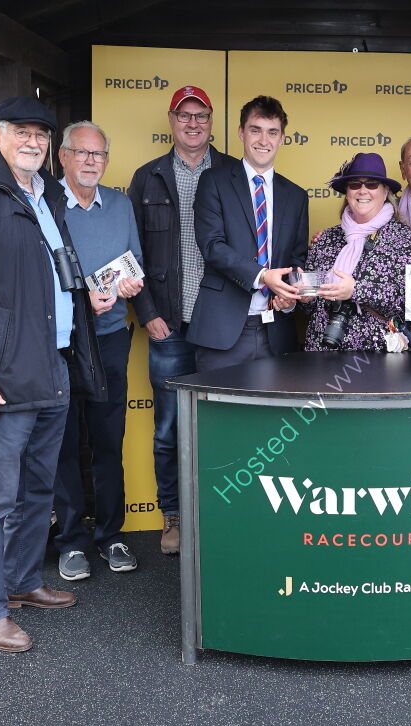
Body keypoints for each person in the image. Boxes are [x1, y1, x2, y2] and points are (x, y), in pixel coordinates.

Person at [0, 97, 108, 653]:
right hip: (5, 376)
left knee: (38, 490)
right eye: (22, 133)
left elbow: (55, 274)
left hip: (52, 368)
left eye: (40, 134)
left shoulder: (48, 196)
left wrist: (88, 296)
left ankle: (24, 582)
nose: (33, 142)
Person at [128, 85, 235, 554]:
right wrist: (147, 312)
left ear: (212, 121)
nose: (193, 124)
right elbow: (127, 252)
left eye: (201, 116)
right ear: (172, 121)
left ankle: (220, 517)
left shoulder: (233, 172)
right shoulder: (147, 177)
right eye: (184, 116)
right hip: (168, 326)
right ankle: (171, 517)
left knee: (223, 427)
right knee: (170, 429)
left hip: (223, 326)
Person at [53, 121, 145, 581]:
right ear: (63, 157)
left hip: (109, 338)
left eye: (98, 155)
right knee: (64, 444)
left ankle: (111, 535)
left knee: (108, 443)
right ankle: (71, 541)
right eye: (82, 153)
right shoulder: (46, 205)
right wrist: (79, 300)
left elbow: (136, 264)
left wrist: (130, 284)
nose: (91, 161)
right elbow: (34, 276)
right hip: (61, 344)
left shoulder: (121, 204)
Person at [188, 96, 308, 371]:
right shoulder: (213, 181)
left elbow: (296, 257)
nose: (263, 140)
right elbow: (211, 246)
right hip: (222, 329)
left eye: (272, 132)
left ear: (282, 139)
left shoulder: (296, 196)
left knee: (274, 416)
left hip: (276, 331)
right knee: (219, 412)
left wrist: (289, 296)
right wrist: (263, 276)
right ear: (241, 132)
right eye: (255, 130)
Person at [298, 153, 411, 352]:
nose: (363, 190)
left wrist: (357, 290)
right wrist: (304, 297)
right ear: (347, 193)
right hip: (321, 352)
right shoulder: (326, 239)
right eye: (355, 184)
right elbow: (309, 306)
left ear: (385, 192)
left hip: (376, 356)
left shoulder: (405, 239)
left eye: (372, 184)